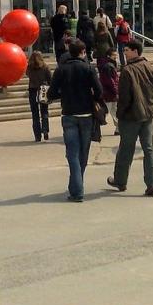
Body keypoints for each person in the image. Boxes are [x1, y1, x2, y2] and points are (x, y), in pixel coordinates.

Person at [48, 39, 104, 202]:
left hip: (69, 115)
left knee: (72, 153)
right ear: (83, 52)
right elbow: (99, 91)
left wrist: (63, 95)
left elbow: (51, 94)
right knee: (83, 153)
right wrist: (90, 97)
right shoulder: (88, 68)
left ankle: (76, 190)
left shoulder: (61, 70)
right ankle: (77, 187)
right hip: (86, 115)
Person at [107, 40, 153, 197]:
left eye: (127, 50)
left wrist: (120, 113)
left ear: (136, 51)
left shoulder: (128, 70)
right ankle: (151, 183)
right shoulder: (151, 68)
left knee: (126, 149)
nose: (124, 52)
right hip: (147, 116)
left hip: (131, 116)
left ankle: (120, 180)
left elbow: (124, 97)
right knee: (149, 149)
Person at [26, 51, 51, 142]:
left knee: (35, 113)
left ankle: (37, 135)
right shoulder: (45, 67)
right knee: (44, 111)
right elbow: (50, 79)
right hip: (43, 90)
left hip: (33, 90)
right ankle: (45, 130)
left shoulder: (29, 68)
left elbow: (28, 75)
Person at [98, 48, 120, 134]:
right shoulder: (108, 66)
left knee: (113, 111)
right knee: (105, 111)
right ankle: (94, 128)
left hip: (110, 93)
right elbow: (110, 81)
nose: (116, 57)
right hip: (109, 93)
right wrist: (116, 91)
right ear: (108, 56)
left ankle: (119, 128)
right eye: (114, 55)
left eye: (116, 55)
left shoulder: (110, 65)